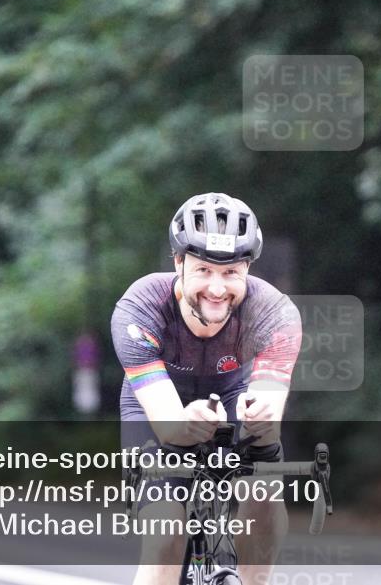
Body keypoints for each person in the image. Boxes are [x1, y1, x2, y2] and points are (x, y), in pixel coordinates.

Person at [111, 192, 302, 585]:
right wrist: (184, 423)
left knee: (264, 491)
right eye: (204, 270)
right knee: (165, 530)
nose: (217, 289)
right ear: (178, 263)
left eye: (231, 272)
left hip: (234, 391)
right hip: (159, 403)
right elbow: (169, 428)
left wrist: (261, 420)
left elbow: (267, 422)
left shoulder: (275, 313)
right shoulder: (141, 306)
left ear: (248, 269)